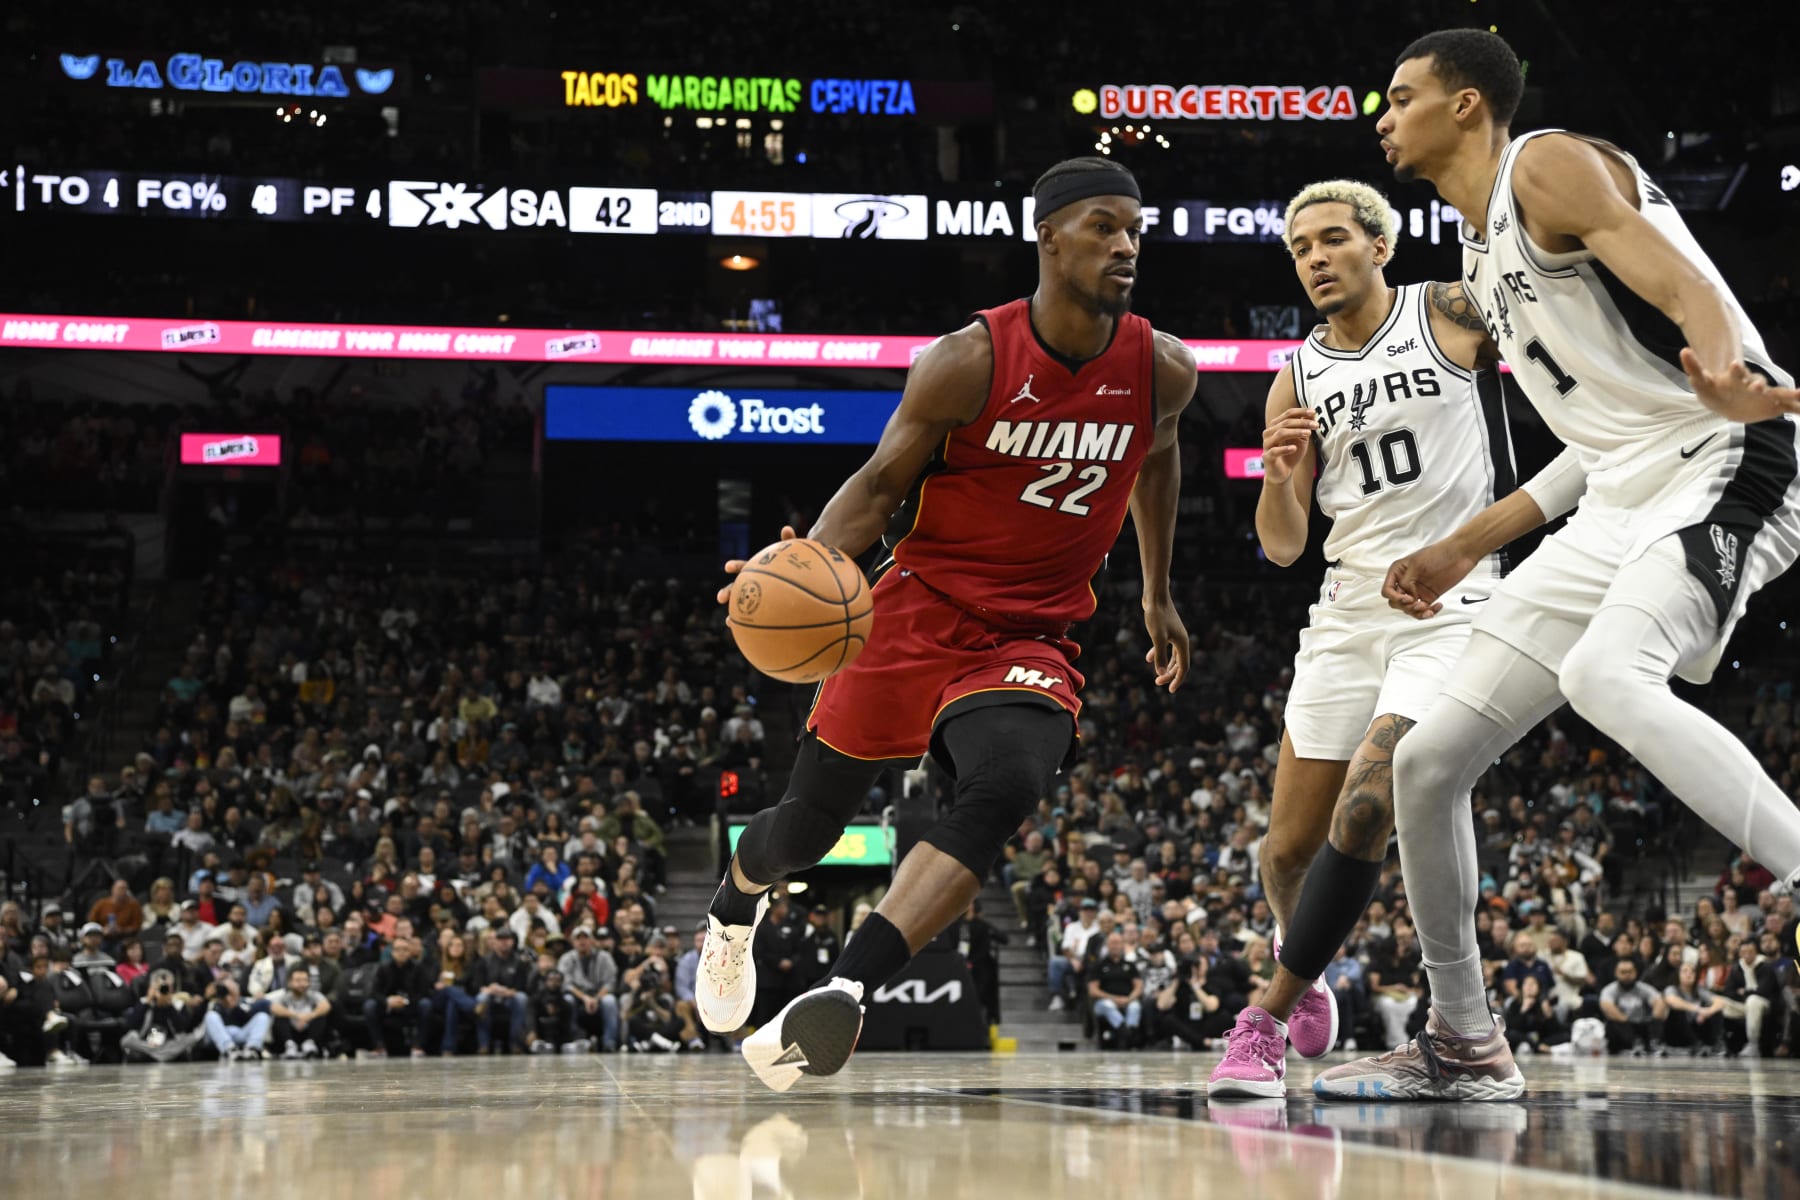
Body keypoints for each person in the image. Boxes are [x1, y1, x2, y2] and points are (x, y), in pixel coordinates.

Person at [1318, 27, 1800, 1102]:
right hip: (1623, 493)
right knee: (1423, 763)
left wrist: (1725, 366)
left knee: (1604, 676)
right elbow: (1597, 441)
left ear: (1465, 104)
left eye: (1400, 96)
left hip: (1728, 450)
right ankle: (1463, 1040)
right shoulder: (1476, 256)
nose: (1382, 118)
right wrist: (1465, 543)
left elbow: (1686, 285)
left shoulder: (1545, 166)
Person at [696, 157, 1197, 1093]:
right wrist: (796, 568)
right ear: (1048, 238)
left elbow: (1157, 459)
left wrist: (1156, 589)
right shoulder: (970, 359)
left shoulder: (1162, 367)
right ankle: (735, 904)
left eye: (1135, 229)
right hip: (918, 609)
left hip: (1031, 634)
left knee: (1006, 784)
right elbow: (879, 485)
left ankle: (846, 989)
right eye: (1102, 227)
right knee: (804, 832)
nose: (1126, 245)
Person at [1209, 173, 1530, 1098]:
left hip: (1452, 601)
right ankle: (1303, 959)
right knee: (1284, 854)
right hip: (1346, 608)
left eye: (1333, 239)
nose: (1315, 258)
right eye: (1300, 249)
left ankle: (1264, 1022)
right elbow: (1282, 546)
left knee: (1367, 802)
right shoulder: (1295, 375)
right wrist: (1277, 478)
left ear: (1379, 245)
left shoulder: (1451, 312)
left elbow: (1558, 346)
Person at [201, 975, 272, 1061]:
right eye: (226, 991)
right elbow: (201, 1020)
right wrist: (207, 998)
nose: (228, 995)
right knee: (211, 1015)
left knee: (262, 1016)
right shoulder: (212, 1002)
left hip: (239, 1033)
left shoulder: (243, 1002)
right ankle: (229, 1050)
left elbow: (252, 1013)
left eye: (232, 992)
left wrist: (236, 1004)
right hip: (217, 1036)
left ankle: (252, 1049)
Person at [267, 965, 332, 1059]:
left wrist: (310, 1016)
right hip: (291, 1033)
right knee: (279, 1018)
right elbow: (274, 1008)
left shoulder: (313, 995)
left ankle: (310, 1044)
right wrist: (297, 1016)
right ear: (289, 983)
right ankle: (290, 1045)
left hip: (308, 1032)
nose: (302, 984)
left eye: (305, 980)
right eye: (298, 980)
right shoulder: (284, 996)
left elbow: (326, 1006)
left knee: (321, 1017)